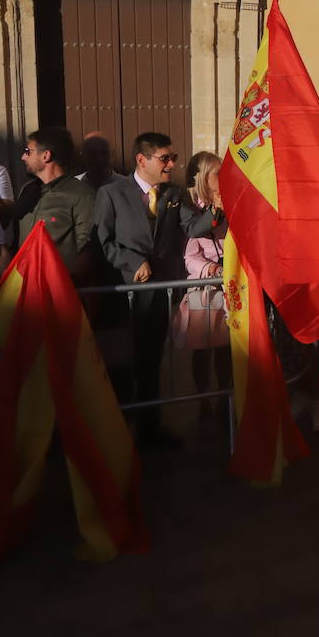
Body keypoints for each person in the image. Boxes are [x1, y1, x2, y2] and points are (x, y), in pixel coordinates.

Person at [93, 131, 225, 448]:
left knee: (152, 360)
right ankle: (118, 431)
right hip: (125, 295)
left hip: (158, 295)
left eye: (173, 158)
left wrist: (216, 210)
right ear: (142, 160)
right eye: (165, 158)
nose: (171, 164)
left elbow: (193, 227)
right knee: (124, 363)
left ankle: (151, 429)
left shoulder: (173, 194)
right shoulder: (111, 193)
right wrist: (130, 260)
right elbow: (102, 241)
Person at [174, 152, 231, 418]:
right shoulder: (192, 210)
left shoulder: (232, 204)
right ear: (204, 178)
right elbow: (190, 255)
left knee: (226, 350)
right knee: (203, 350)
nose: (223, 176)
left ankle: (224, 398)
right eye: (217, 173)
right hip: (204, 288)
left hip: (230, 287)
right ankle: (204, 401)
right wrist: (213, 269)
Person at [16, 126, 94, 280]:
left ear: (46, 155)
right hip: (24, 286)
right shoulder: (27, 191)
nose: (23, 157)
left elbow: (87, 247)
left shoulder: (80, 194)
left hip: (58, 288)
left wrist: (69, 282)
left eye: (28, 151)